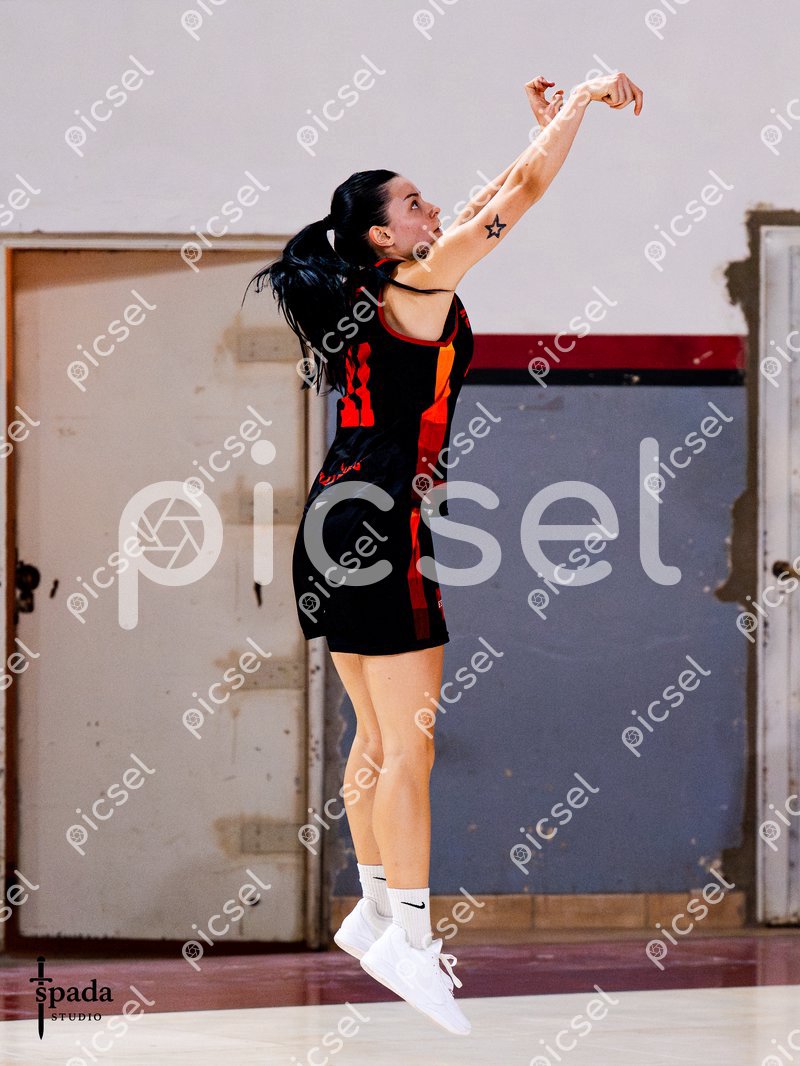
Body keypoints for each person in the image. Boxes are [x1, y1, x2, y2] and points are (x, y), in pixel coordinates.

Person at [243, 71, 643, 1036]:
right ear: (383, 237)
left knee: (377, 741)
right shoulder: (420, 283)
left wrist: (542, 128)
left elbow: (493, 194)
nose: (435, 208)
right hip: (382, 522)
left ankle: (378, 915)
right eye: (415, 202)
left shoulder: (381, 283)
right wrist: (582, 103)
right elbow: (521, 196)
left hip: (332, 517)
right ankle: (413, 943)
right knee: (411, 745)